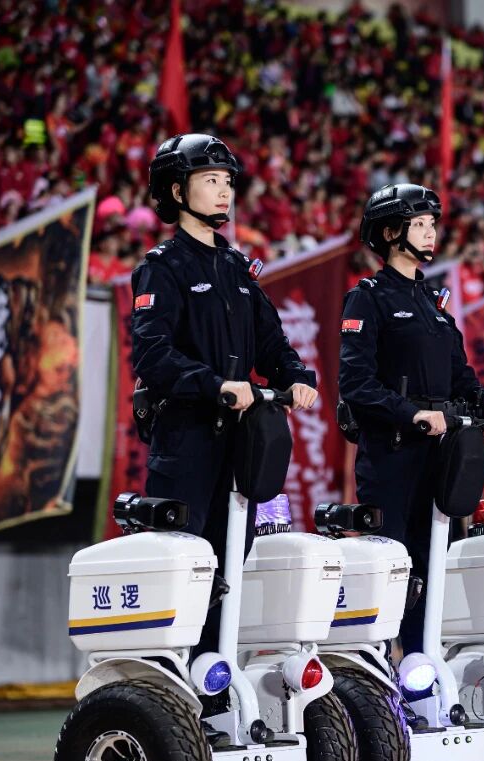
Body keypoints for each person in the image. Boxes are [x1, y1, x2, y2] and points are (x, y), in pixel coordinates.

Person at [131, 133, 317, 668]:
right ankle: (170, 681)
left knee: (229, 569)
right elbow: (152, 354)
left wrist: (296, 376)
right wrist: (214, 385)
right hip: (186, 440)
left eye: (228, 181)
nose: (223, 191)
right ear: (177, 191)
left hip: (242, 444)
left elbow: (272, 343)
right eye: (210, 180)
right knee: (184, 567)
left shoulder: (238, 269)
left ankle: (214, 681)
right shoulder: (162, 267)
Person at [338, 183, 484, 654]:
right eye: (419, 224)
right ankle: (375, 668)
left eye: (432, 223)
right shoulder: (368, 297)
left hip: (442, 457)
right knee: (392, 570)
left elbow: (462, 377)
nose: (431, 232)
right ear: (390, 233)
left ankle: (420, 668)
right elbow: (355, 383)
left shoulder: (434, 304)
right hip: (391, 456)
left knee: (432, 569)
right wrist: (412, 413)